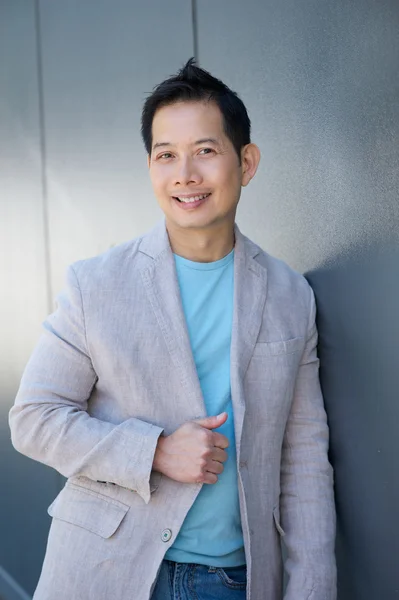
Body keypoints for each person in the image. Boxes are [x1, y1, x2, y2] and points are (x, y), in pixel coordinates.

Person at [9, 58, 336, 600]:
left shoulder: (289, 295)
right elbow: (34, 418)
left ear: (246, 162)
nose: (185, 174)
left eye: (205, 151)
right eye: (166, 156)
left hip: (234, 580)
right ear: (151, 168)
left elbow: (303, 458)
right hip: (104, 569)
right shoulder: (96, 285)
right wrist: (155, 452)